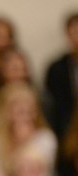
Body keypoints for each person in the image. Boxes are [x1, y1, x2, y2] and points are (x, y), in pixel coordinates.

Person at [44, 12, 78, 141]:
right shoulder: (56, 68)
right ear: (67, 34)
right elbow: (54, 106)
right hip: (66, 130)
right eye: (74, 32)